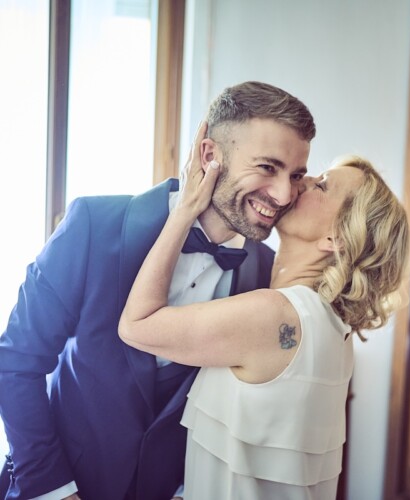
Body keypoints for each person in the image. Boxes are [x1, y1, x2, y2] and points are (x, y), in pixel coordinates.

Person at [0, 81, 315, 500]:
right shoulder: (94, 223)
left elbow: (240, 413)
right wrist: (53, 489)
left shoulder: (264, 275)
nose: (284, 194)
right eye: (267, 168)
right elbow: (15, 362)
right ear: (210, 155)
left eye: (296, 176)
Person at [118, 128, 410, 500]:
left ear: (336, 238)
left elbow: (136, 324)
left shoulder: (275, 316)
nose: (302, 183)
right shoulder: (334, 330)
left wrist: (186, 209)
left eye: (321, 185)